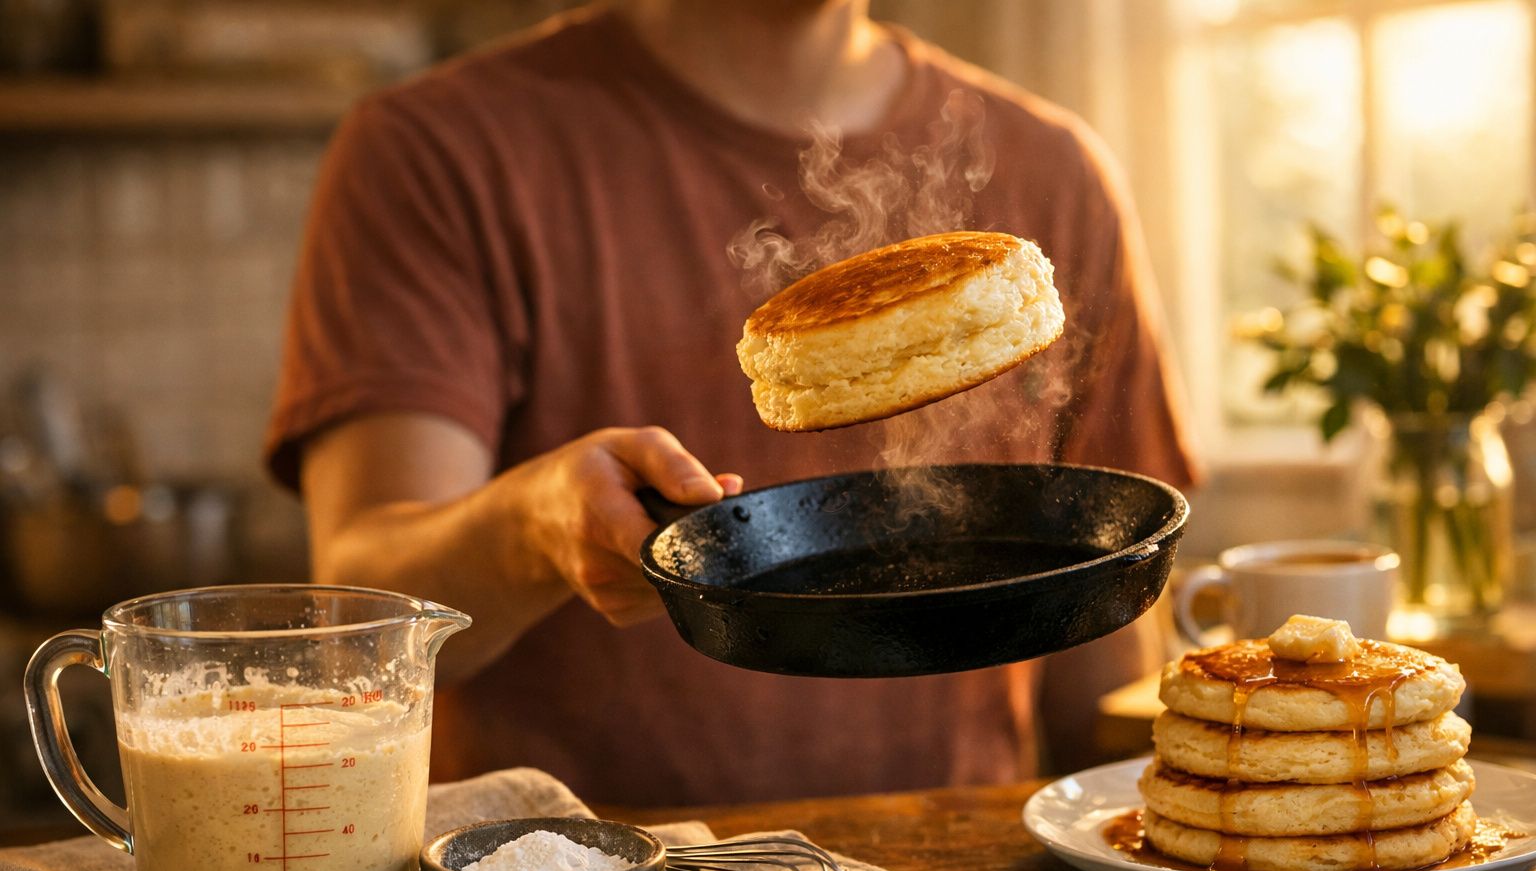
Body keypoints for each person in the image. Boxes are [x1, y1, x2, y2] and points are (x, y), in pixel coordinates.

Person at [264, 0, 1199, 806]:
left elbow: (1105, 599)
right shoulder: (438, 151)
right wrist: (536, 523)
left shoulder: (1055, 169)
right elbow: (358, 627)